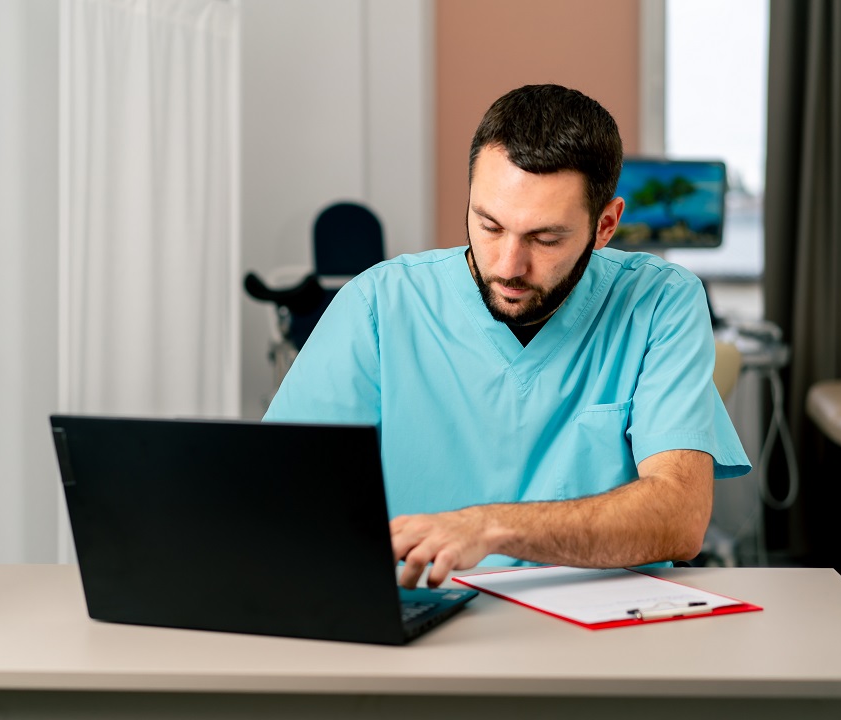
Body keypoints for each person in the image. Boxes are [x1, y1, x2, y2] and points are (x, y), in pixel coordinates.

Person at [264, 84, 750, 589]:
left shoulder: (660, 303)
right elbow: (277, 494)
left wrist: (488, 527)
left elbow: (679, 516)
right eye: (489, 226)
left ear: (605, 226)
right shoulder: (378, 306)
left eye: (546, 238)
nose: (508, 266)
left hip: (604, 634)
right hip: (426, 618)